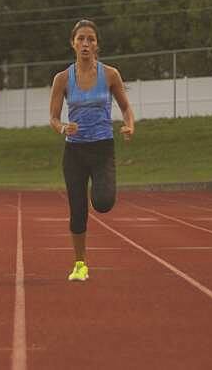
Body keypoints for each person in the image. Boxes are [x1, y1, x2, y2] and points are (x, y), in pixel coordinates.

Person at [49, 18, 135, 282]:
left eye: (90, 39)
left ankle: (102, 191)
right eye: (81, 39)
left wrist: (129, 125)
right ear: (72, 44)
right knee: (77, 209)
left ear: (97, 44)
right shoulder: (62, 79)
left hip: (102, 147)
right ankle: (80, 264)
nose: (85, 43)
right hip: (74, 152)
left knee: (103, 202)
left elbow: (125, 107)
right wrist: (63, 128)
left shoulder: (110, 74)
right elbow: (53, 118)